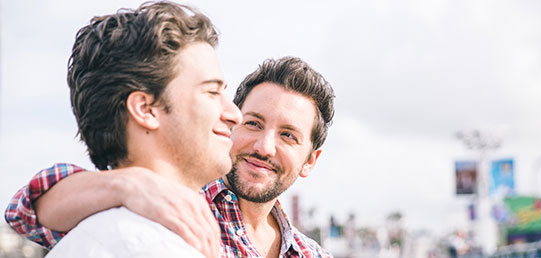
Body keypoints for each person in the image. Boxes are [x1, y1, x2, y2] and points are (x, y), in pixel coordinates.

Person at [6, 57, 336, 256]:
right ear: (233, 120)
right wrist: (126, 185)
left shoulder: (312, 254)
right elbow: (25, 211)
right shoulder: (168, 207)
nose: (264, 147)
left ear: (311, 160)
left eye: (288, 136)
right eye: (254, 123)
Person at [5, 1, 243, 257]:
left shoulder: (95, 232)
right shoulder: (148, 246)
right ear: (145, 109)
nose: (235, 115)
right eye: (211, 92)